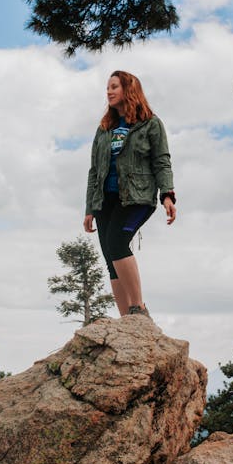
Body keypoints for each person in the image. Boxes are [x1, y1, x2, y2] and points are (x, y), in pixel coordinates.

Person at [83, 70, 176, 317]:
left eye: (114, 87)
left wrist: (167, 194)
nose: (109, 92)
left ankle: (138, 309)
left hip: (137, 198)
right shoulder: (104, 129)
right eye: (107, 88)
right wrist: (89, 208)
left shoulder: (150, 123)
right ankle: (127, 320)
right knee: (111, 258)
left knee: (117, 243)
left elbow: (161, 161)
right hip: (105, 200)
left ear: (128, 89)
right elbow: (94, 171)